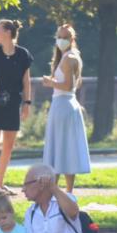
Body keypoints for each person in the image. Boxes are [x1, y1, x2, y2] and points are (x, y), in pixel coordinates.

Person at [0, 19, 33, 197]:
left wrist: (27, 103)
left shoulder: (23, 55)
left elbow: (26, 81)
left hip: (13, 103)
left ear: (7, 32)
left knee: (8, 146)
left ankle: (0, 183)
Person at [42, 24, 91, 193]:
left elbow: (68, 85)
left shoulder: (69, 57)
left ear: (72, 39)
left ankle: (63, 192)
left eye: (65, 37)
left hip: (64, 104)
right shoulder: (67, 56)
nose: (61, 40)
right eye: (59, 36)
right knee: (63, 148)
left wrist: (51, 82)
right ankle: (62, 191)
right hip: (63, 104)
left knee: (61, 149)